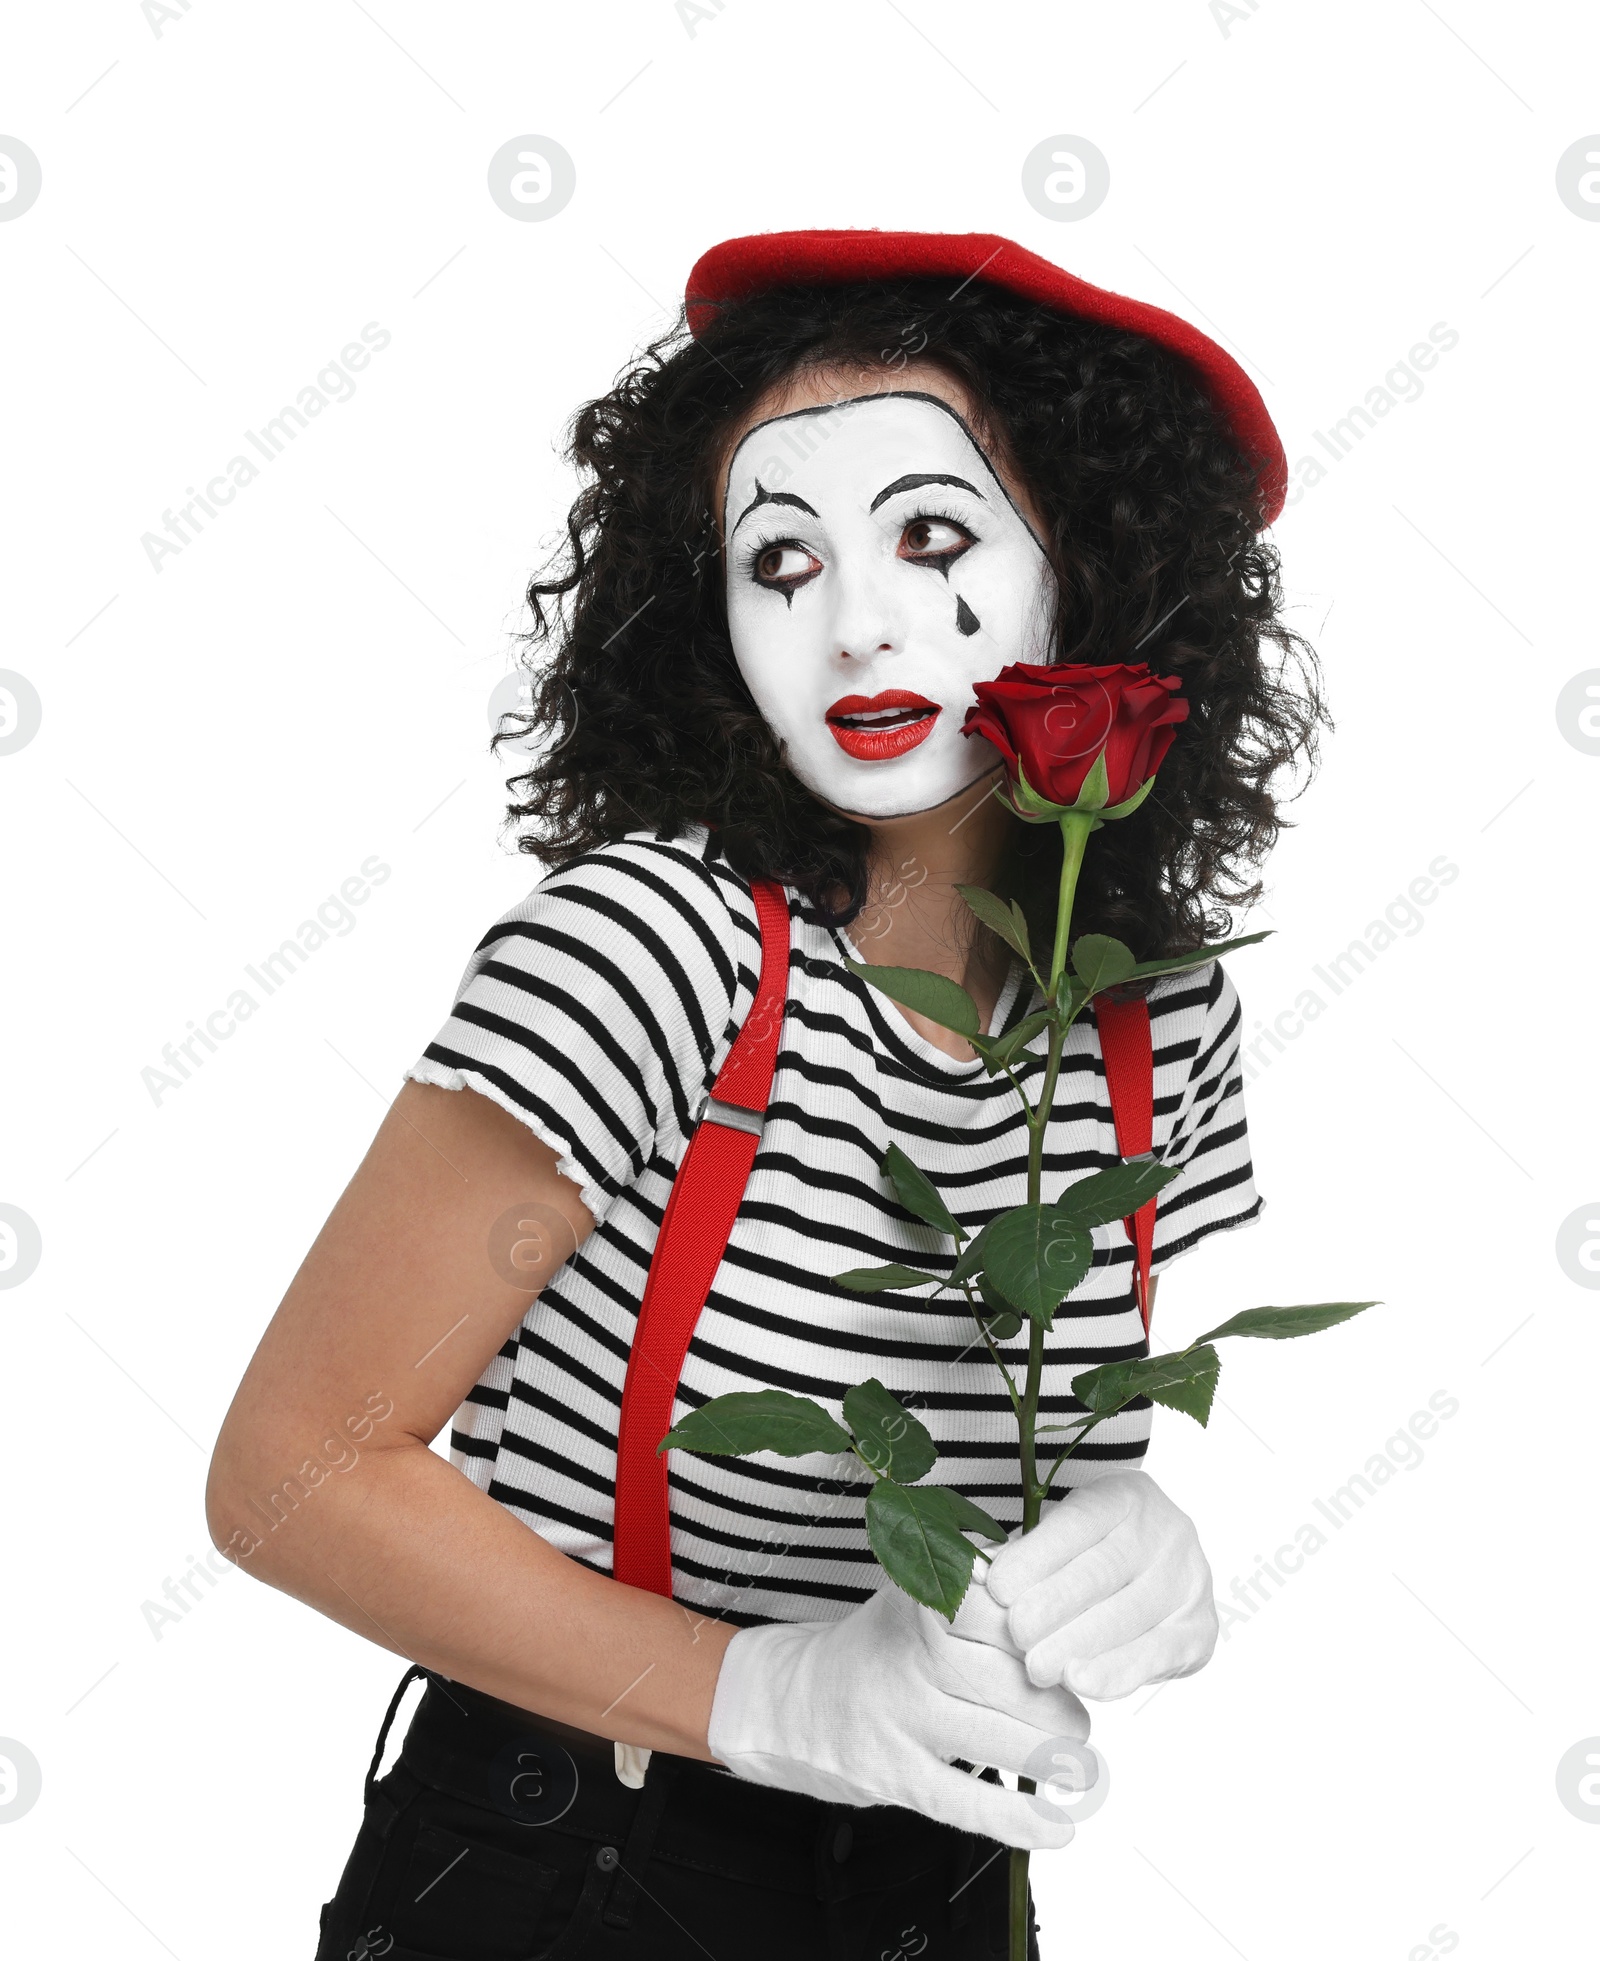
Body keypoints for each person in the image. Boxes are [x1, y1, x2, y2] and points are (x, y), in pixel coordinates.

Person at [206, 229, 1327, 1960]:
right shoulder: (651, 944)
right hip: (566, 1851)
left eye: (932, 535)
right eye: (780, 559)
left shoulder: (1155, 1018)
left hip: (941, 1872)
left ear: (1094, 570)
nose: (855, 618)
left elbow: (1033, 1436)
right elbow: (291, 1469)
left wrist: (1129, 1536)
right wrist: (764, 1692)